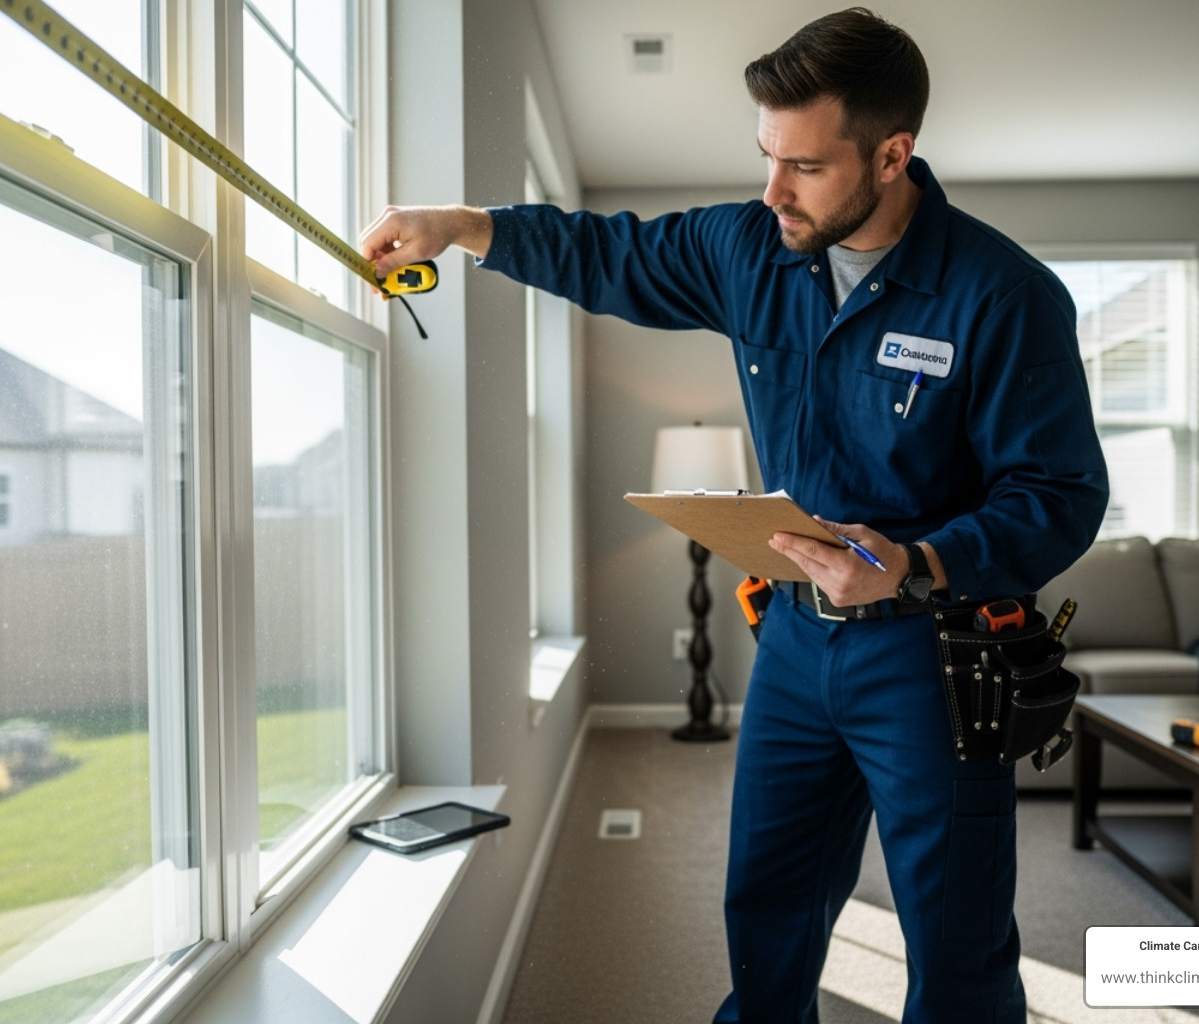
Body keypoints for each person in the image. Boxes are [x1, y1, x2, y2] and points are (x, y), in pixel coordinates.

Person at [360, 8, 1108, 1021]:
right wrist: (463, 227)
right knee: (767, 910)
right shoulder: (748, 248)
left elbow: (1061, 495)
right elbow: (606, 253)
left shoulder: (1003, 293)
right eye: (765, 157)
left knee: (957, 943)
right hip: (798, 643)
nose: (772, 191)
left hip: (934, 653)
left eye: (803, 165)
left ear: (893, 155)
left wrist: (918, 561)